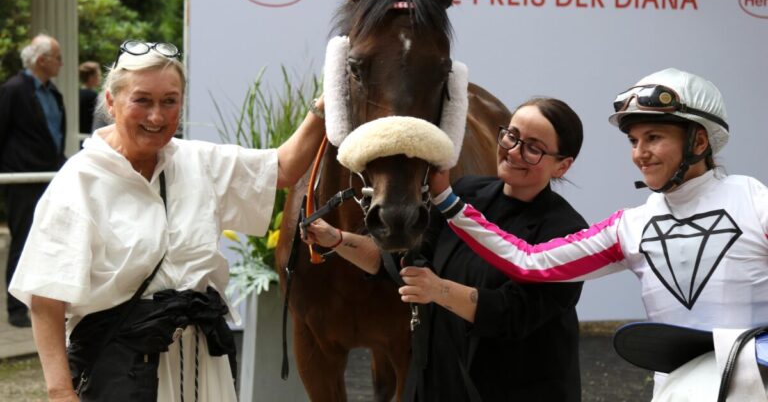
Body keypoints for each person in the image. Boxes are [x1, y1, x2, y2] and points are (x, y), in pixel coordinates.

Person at [9, 39, 326, 401]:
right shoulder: (79, 182)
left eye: (169, 101)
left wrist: (324, 107)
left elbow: (282, 168)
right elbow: (46, 299)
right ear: (111, 103)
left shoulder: (198, 160)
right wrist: (60, 393)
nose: (157, 117)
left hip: (202, 367)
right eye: (142, 100)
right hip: (120, 371)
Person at [431, 68, 768, 394]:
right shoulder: (629, 226)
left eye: (654, 137)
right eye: (634, 140)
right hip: (677, 390)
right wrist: (449, 203)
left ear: (698, 140)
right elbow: (528, 261)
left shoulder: (755, 201)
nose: (639, 154)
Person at [304, 97, 587, 401]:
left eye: (533, 148)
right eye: (511, 135)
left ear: (562, 165)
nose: (513, 151)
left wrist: (438, 290)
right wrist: (334, 238)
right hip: (437, 383)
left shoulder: (568, 233)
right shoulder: (466, 193)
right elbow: (398, 263)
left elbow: (513, 314)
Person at [0, 33, 66, 328]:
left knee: (52, 240)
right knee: (22, 241)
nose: (62, 64)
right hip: (22, 179)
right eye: (58, 58)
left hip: (50, 177)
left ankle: (46, 302)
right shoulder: (13, 90)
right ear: (42, 61)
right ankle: (16, 309)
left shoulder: (54, 94)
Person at [78, 61, 101, 136]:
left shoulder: (77, 94)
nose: (100, 78)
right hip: (88, 136)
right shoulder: (93, 96)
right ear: (91, 77)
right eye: (98, 75)